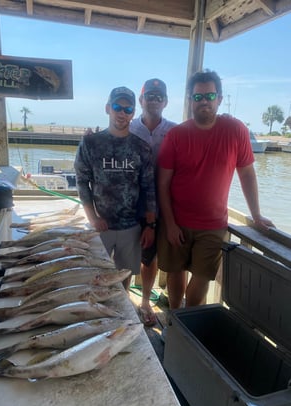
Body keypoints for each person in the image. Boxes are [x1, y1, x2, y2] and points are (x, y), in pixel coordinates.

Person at [157, 69, 275, 309]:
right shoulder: (176, 135)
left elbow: (247, 174)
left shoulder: (236, 130)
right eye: (198, 97)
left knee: (203, 276)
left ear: (219, 99)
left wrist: (256, 213)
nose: (204, 102)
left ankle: (188, 321)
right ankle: (174, 315)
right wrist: (169, 224)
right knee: (175, 271)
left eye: (209, 96)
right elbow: (162, 183)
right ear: (190, 100)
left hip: (213, 224)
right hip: (177, 221)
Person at [74, 86, 156, 290]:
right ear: (107, 108)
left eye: (128, 109)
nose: (122, 113)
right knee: (95, 278)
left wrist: (150, 226)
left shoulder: (142, 147)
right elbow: (82, 182)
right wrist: (93, 217)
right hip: (101, 226)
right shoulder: (90, 143)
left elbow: (149, 189)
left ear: (133, 114)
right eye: (118, 107)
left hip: (131, 227)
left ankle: (123, 308)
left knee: (123, 279)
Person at [130, 78, 183, 326]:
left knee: (172, 260)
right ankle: (142, 303)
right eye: (149, 95)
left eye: (159, 96)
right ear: (141, 100)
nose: (154, 100)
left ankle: (175, 312)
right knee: (144, 258)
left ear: (166, 102)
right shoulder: (127, 128)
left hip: (169, 206)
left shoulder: (176, 131)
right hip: (135, 206)